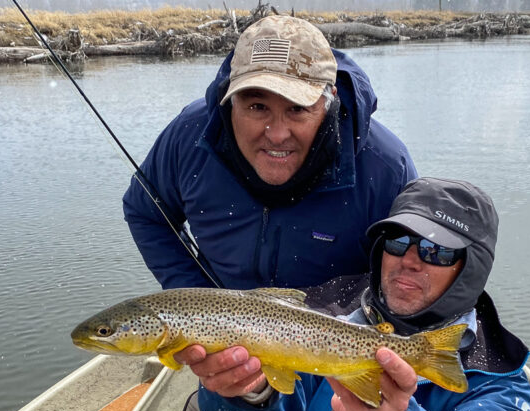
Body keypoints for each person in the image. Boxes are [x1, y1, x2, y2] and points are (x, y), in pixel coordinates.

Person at [183, 177, 530, 411]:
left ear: (471, 270)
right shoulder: (321, 311)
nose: (410, 260)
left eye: (437, 251)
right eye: (399, 242)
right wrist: (247, 391)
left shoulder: (498, 380)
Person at [122, 14, 417, 292]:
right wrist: (198, 306)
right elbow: (145, 213)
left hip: (335, 333)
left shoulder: (386, 169)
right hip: (221, 331)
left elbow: (414, 271)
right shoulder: (189, 135)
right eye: (257, 107)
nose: (277, 135)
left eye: (297, 109)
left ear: (330, 101)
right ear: (230, 98)